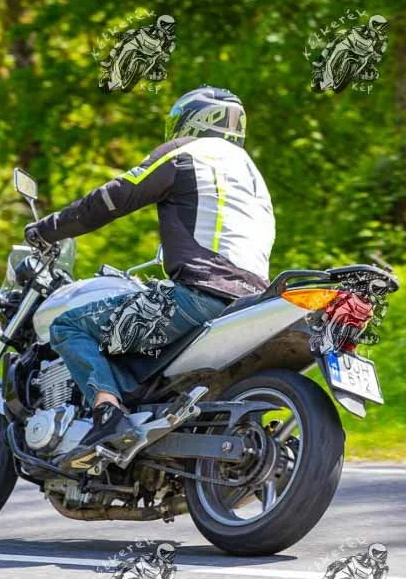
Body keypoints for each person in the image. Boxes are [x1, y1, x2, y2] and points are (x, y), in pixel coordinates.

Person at [24, 86, 275, 459]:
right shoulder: (252, 176)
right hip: (252, 301)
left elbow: (112, 198)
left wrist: (47, 229)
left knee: (69, 326)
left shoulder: (189, 152)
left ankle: (108, 414)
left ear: (195, 120)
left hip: (199, 295)